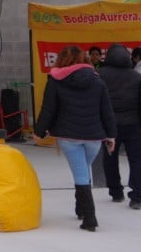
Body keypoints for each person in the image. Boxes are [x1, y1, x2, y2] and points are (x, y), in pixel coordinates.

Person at [35, 45, 116, 231]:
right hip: (94, 137)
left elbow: (48, 109)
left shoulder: (55, 81)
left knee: (80, 174)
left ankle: (90, 218)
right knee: (83, 171)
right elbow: (107, 111)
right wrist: (111, 136)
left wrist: (39, 132)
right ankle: (81, 209)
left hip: (68, 135)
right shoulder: (97, 80)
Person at [98, 44, 141, 209]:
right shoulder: (137, 77)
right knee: (136, 160)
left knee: (110, 158)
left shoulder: (100, 75)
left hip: (109, 126)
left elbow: (94, 100)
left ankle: (115, 192)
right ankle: (137, 196)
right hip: (132, 124)